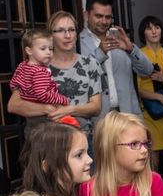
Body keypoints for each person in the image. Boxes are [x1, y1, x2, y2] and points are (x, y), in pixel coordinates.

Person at [8, 11, 103, 148]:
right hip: (43, 141)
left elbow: (96, 107)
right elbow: (13, 105)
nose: (68, 35)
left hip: (80, 140)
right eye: (61, 30)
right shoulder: (35, 65)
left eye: (71, 30)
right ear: (50, 35)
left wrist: (69, 110)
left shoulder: (90, 64)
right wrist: (46, 109)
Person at [79, 0, 153, 118]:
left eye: (108, 17)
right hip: (99, 118)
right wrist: (100, 52)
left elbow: (147, 71)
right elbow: (81, 76)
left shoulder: (119, 39)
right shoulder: (78, 43)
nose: (104, 21)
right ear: (86, 15)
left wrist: (131, 50)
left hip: (128, 115)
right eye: (98, 16)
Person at [137, 15, 163, 193]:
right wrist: (159, 98)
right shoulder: (139, 55)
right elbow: (136, 88)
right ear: (143, 33)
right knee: (152, 165)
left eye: (157, 27)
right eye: (149, 28)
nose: (154, 31)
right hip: (150, 114)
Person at [9, 29, 68, 131]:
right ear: (29, 51)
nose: (48, 52)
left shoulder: (23, 65)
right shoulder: (40, 71)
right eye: (43, 49)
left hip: (30, 115)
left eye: (50, 49)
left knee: (33, 135)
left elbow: (13, 84)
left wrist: (25, 92)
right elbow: (42, 94)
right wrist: (62, 99)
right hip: (43, 118)